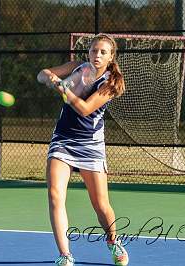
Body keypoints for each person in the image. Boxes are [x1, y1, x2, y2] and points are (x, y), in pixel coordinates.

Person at [37, 33, 129, 266]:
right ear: (88, 52)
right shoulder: (78, 66)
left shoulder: (110, 83)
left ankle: (113, 241)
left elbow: (85, 109)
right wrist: (48, 76)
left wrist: (62, 89)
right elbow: (42, 74)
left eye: (103, 52)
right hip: (63, 140)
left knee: (101, 205)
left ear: (110, 57)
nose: (97, 55)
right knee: (55, 195)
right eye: (93, 50)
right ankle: (65, 255)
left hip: (90, 145)